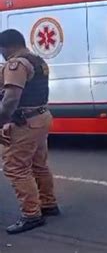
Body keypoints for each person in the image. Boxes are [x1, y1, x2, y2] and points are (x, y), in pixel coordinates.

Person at [0, 29, 59, 234]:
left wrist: (1, 121)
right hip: (41, 118)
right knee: (39, 164)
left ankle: (31, 215)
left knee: (15, 167)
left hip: (25, 123)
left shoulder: (15, 64)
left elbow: (10, 99)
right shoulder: (37, 61)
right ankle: (48, 203)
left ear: (6, 47)